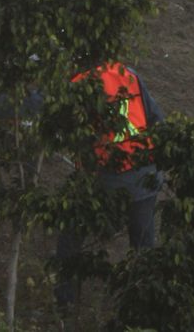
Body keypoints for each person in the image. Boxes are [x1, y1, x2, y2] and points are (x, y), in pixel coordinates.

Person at [53, 60, 164, 311]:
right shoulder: (129, 74)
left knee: (71, 234)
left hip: (102, 179)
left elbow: (59, 128)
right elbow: (157, 120)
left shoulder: (77, 86)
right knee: (143, 245)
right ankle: (143, 306)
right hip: (144, 175)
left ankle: (65, 300)